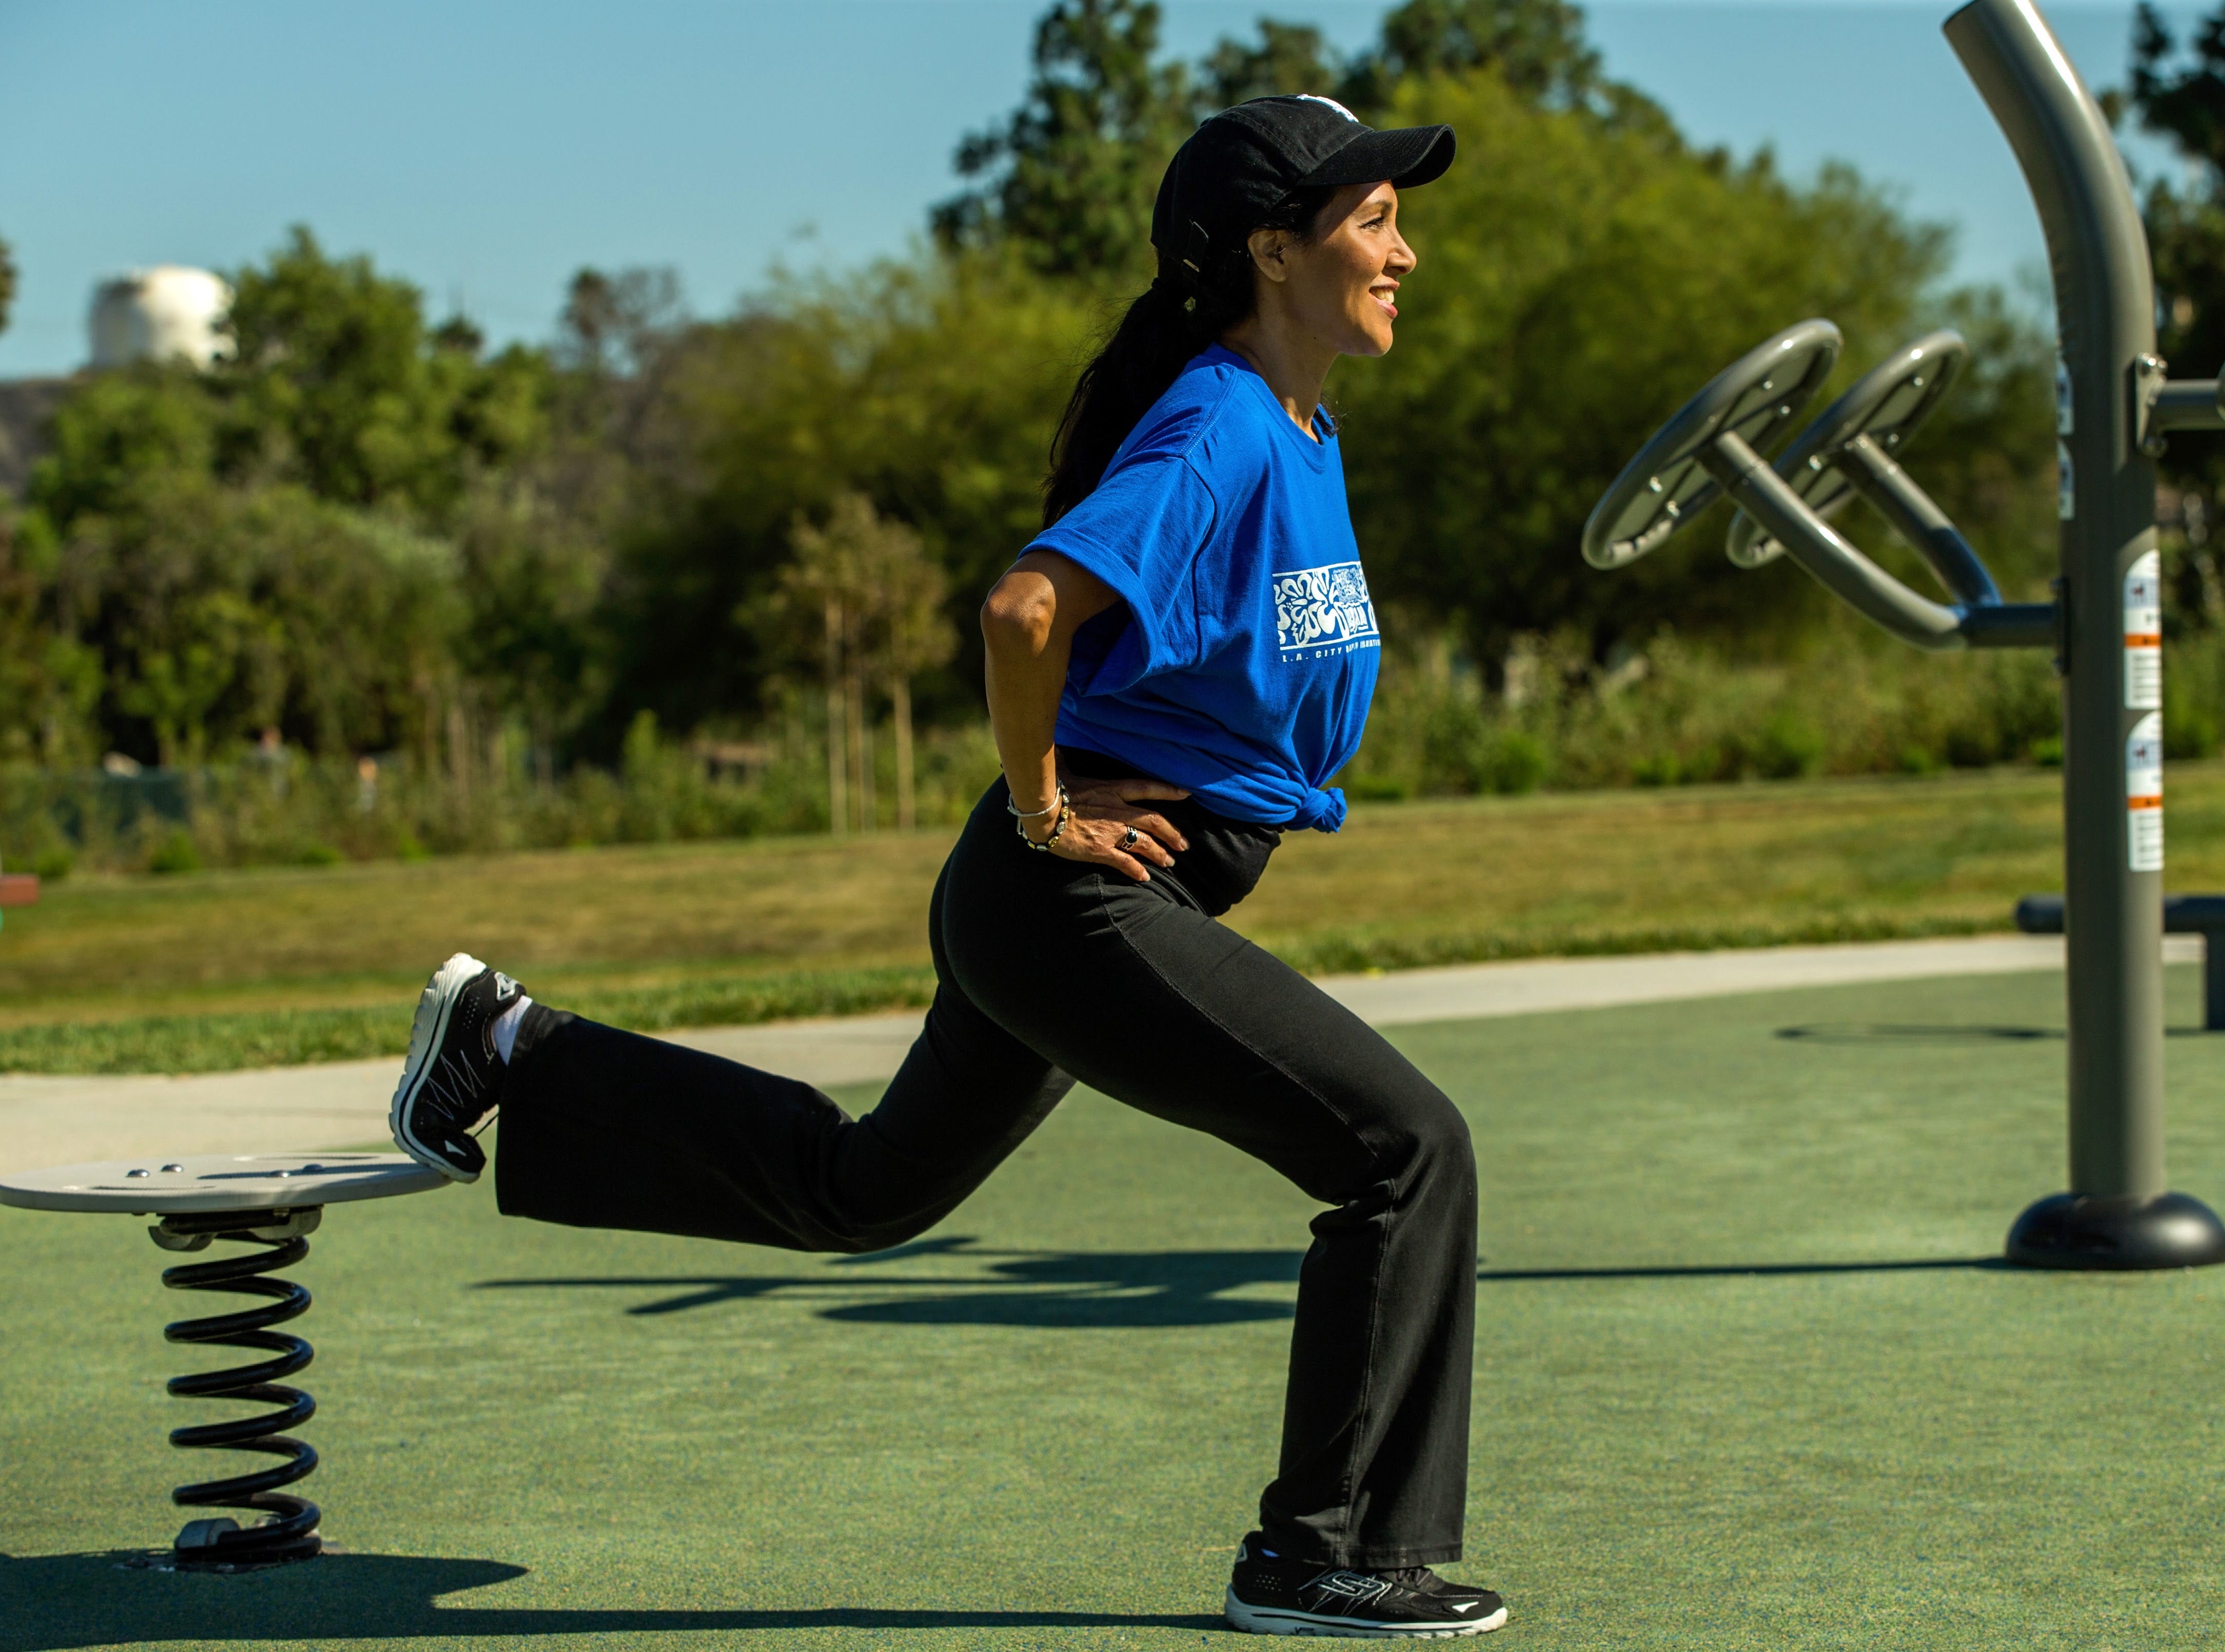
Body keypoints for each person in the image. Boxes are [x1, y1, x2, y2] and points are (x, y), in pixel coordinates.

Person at [388, 93, 1501, 1640]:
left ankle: (511, 1045)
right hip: (1074, 896)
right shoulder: (1224, 420)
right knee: (1403, 1149)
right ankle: (1318, 1553)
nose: (1408, 252)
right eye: (1374, 221)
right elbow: (1023, 610)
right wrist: (1045, 808)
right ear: (1269, 248)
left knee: (863, 1191)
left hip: (1089, 896)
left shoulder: (1299, 429)